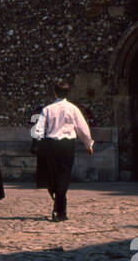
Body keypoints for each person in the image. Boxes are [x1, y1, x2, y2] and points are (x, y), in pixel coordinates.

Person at [32, 80, 93, 222]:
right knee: (64, 176)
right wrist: (88, 144)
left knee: (53, 176)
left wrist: (38, 143)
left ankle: (58, 208)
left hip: (51, 145)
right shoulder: (73, 109)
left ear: (55, 93)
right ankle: (60, 210)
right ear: (67, 93)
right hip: (67, 146)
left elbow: (39, 129)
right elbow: (82, 128)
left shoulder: (47, 109)